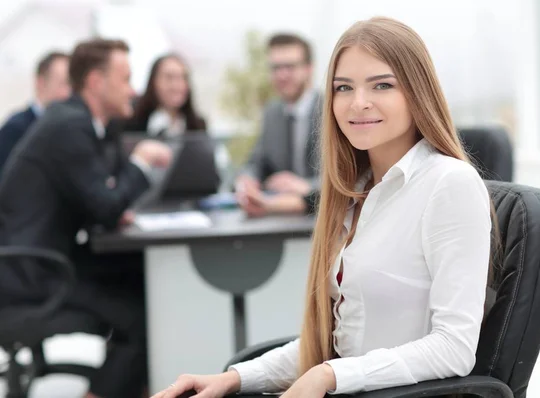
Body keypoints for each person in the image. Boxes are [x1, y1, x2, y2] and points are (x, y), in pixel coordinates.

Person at [152, 16, 494, 398]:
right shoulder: (356, 191)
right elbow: (335, 343)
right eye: (343, 88)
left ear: (417, 92)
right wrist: (234, 378)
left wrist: (329, 376)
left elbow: (454, 348)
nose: (358, 103)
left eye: (382, 85)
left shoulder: (449, 184)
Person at [0, 39, 172, 398]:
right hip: (31, 274)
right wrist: (140, 161)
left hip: (45, 261)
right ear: (96, 82)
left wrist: (114, 196)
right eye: (125, 79)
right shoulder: (69, 125)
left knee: (140, 278)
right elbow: (106, 205)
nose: (134, 90)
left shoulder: (84, 122)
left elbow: (99, 199)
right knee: (142, 314)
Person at [235, 33, 322, 216]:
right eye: (275, 68)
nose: (282, 75)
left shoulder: (332, 110)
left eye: (290, 67)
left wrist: (306, 186)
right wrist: (247, 180)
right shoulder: (272, 112)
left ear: (308, 69)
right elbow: (256, 162)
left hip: (326, 218)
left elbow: (351, 178)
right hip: (279, 217)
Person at [0, 51, 71, 174]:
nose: (69, 93)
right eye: (63, 84)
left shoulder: (70, 128)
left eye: (73, 86)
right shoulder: (16, 128)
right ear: (41, 83)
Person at [123, 53, 207, 137]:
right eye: (169, 77)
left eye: (183, 78)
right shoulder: (131, 118)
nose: (177, 86)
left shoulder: (197, 125)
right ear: (154, 81)